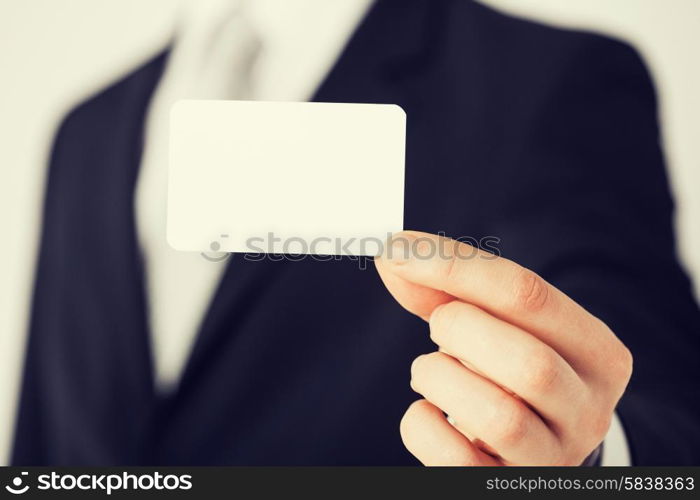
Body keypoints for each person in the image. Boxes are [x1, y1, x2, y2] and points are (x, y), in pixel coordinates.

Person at [11, 0, 700, 465]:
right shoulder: (86, 131)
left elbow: (669, 421)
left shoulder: (550, 82)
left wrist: (589, 457)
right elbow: (44, 431)